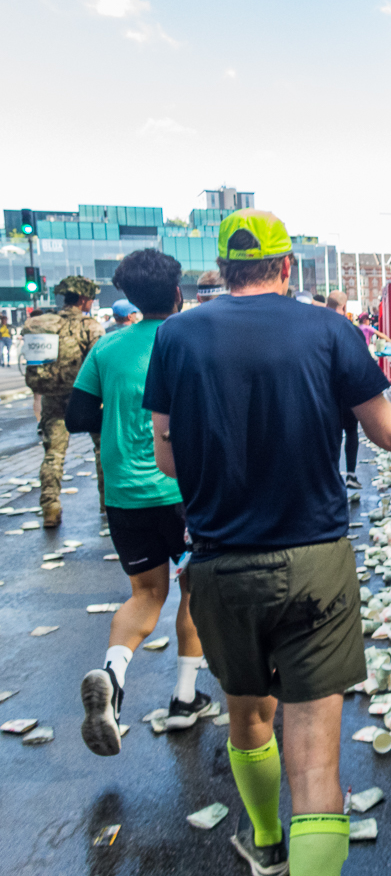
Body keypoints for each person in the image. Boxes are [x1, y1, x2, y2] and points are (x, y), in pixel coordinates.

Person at [144, 210, 391, 876]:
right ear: (287, 267)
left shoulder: (176, 335)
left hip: (220, 560)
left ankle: (265, 842)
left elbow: (168, 459)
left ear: (223, 269)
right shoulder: (330, 328)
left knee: (248, 715)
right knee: (316, 758)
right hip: (315, 558)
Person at [66, 250, 209, 756]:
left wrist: (118, 413)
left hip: (125, 493)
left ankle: (113, 674)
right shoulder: (190, 340)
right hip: (184, 492)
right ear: (177, 294)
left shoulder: (106, 349)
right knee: (193, 589)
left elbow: (77, 415)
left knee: (146, 593)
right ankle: (185, 697)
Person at [22, 276, 105, 528]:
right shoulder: (91, 327)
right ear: (82, 299)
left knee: (54, 454)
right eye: (90, 298)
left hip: (53, 398)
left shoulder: (43, 324)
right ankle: (107, 502)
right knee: (102, 451)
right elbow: (98, 364)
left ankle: (50, 507)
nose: (91, 302)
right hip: (87, 398)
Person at [324, 291, 365, 488]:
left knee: (331, 433)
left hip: (325, 393)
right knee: (351, 431)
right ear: (345, 308)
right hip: (348, 391)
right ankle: (351, 474)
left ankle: (330, 475)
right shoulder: (353, 330)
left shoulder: (318, 328)